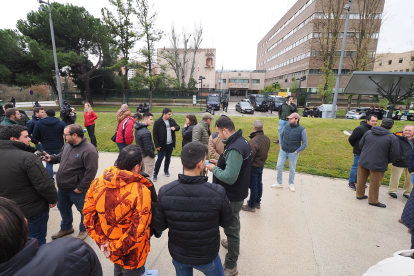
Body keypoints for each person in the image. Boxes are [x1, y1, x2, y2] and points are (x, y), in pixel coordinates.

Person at [154, 142, 233, 276]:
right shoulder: (217, 192)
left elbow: (159, 225)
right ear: (200, 164)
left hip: (179, 254)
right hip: (207, 255)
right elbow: (227, 222)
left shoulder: (165, 191)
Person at [83, 145, 155, 276]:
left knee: (118, 270)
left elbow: (89, 217)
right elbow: (137, 231)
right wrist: (112, 248)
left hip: (109, 244)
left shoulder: (98, 182)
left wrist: (104, 243)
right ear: (137, 167)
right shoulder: (141, 191)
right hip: (131, 253)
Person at [0, 197, 103, 276]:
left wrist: (80, 187)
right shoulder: (75, 249)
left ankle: (81, 228)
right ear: (25, 222)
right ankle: (66, 227)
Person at [206, 117, 252, 276]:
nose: (217, 136)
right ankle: (231, 242)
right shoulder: (240, 140)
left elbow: (230, 177)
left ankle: (231, 265)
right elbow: (233, 165)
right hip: (237, 192)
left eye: (218, 132)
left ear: (225, 130)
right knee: (233, 222)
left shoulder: (235, 148)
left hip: (232, 195)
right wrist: (219, 162)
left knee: (232, 227)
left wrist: (213, 168)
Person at [0, 125, 58, 246]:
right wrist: (53, 199)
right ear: (13, 139)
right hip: (31, 212)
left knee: (12, 245)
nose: (30, 139)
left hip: (5, 214)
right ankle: (38, 264)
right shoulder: (28, 157)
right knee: (36, 242)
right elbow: (44, 184)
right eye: (26, 136)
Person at [41, 124, 99, 240]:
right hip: (63, 187)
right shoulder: (68, 145)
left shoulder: (89, 150)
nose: (63, 136)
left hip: (77, 189)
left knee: (84, 210)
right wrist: (51, 158)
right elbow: (60, 157)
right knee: (63, 208)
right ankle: (67, 227)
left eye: (65, 134)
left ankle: (84, 229)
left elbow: (91, 172)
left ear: (75, 135)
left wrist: (81, 187)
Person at [356, 118, 399, 208]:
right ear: (391, 127)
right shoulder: (392, 137)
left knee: (361, 179)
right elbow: (394, 153)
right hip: (379, 162)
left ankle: (359, 194)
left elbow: (361, 144)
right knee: (375, 182)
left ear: (380, 124)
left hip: (364, 160)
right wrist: (387, 161)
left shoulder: (368, 132)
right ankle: (373, 200)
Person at [272, 113, 308, 192]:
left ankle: (291, 184)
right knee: (279, 166)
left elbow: (305, 143)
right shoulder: (286, 126)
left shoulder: (302, 129)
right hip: (283, 151)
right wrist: (280, 145)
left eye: (291, 119)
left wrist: (297, 150)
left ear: (296, 119)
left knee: (292, 169)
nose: (289, 120)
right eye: (289, 118)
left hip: (293, 153)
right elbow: (281, 136)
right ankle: (279, 182)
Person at [242, 120, 270, 212]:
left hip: (254, 167)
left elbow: (250, 157)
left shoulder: (253, 141)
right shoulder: (267, 139)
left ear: (254, 128)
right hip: (261, 165)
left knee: (254, 186)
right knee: (259, 184)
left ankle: (251, 205)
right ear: (262, 128)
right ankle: (257, 202)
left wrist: (246, 168)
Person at [32, 108, 66, 180]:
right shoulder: (61, 123)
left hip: (46, 145)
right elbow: (66, 134)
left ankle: (50, 180)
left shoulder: (39, 123)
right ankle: (63, 178)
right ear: (55, 114)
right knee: (62, 162)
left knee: (48, 163)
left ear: (46, 114)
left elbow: (35, 135)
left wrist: (41, 139)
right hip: (59, 145)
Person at [347, 114, 378, 190]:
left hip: (369, 152)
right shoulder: (360, 128)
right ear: (367, 121)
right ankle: (352, 182)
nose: (375, 122)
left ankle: (360, 181)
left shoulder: (374, 129)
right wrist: (357, 147)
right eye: (373, 121)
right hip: (359, 151)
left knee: (364, 168)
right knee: (356, 166)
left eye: (376, 121)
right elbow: (351, 139)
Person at [152, 108, 180, 182]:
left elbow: (178, 127)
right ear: (164, 114)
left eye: (170, 114)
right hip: (161, 145)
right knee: (160, 159)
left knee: (168, 158)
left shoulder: (172, 121)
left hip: (170, 144)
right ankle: (155, 174)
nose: (170, 116)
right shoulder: (158, 122)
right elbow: (155, 135)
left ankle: (166, 171)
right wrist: (157, 145)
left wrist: (175, 128)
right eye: (169, 114)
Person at [388, 125, 414, 199]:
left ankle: (407, 192)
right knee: (395, 177)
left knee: (410, 179)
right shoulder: (397, 137)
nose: (407, 132)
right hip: (399, 161)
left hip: (411, 163)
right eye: (406, 130)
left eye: (410, 130)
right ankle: (392, 191)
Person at [135, 112, 156, 179]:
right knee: (148, 176)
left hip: (141, 155)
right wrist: (152, 155)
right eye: (151, 119)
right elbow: (148, 148)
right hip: (147, 157)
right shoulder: (146, 132)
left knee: (141, 175)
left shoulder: (138, 128)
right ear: (145, 119)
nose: (152, 121)